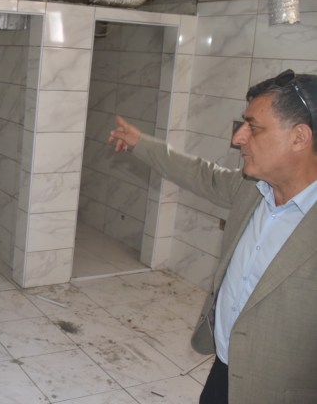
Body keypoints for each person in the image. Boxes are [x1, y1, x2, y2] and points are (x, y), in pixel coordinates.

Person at [108, 69, 317, 404]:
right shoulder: (252, 188)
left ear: (299, 137)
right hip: (225, 368)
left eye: (253, 127)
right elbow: (202, 174)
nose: (238, 138)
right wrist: (142, 144)